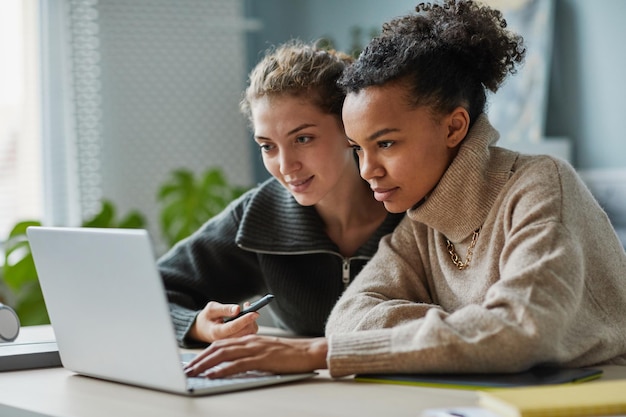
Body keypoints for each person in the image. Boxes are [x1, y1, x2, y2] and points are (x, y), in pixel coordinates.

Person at [183, 0, 626, 378]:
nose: (368, 169)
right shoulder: (422, 218)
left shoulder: (540, 184)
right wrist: (474, 330)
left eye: (386, 143)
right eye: (358, 148)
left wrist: (319, 354)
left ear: (454, 126)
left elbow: (523, 331)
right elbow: (347, 321)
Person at [158, 40, 403, 347]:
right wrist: (195, 325)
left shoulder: (413, 206)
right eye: (267, 146)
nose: (286, 166)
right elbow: (149, 289)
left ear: (349, 128)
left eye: (303, 138)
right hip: (306, 392)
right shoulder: (259, 215)